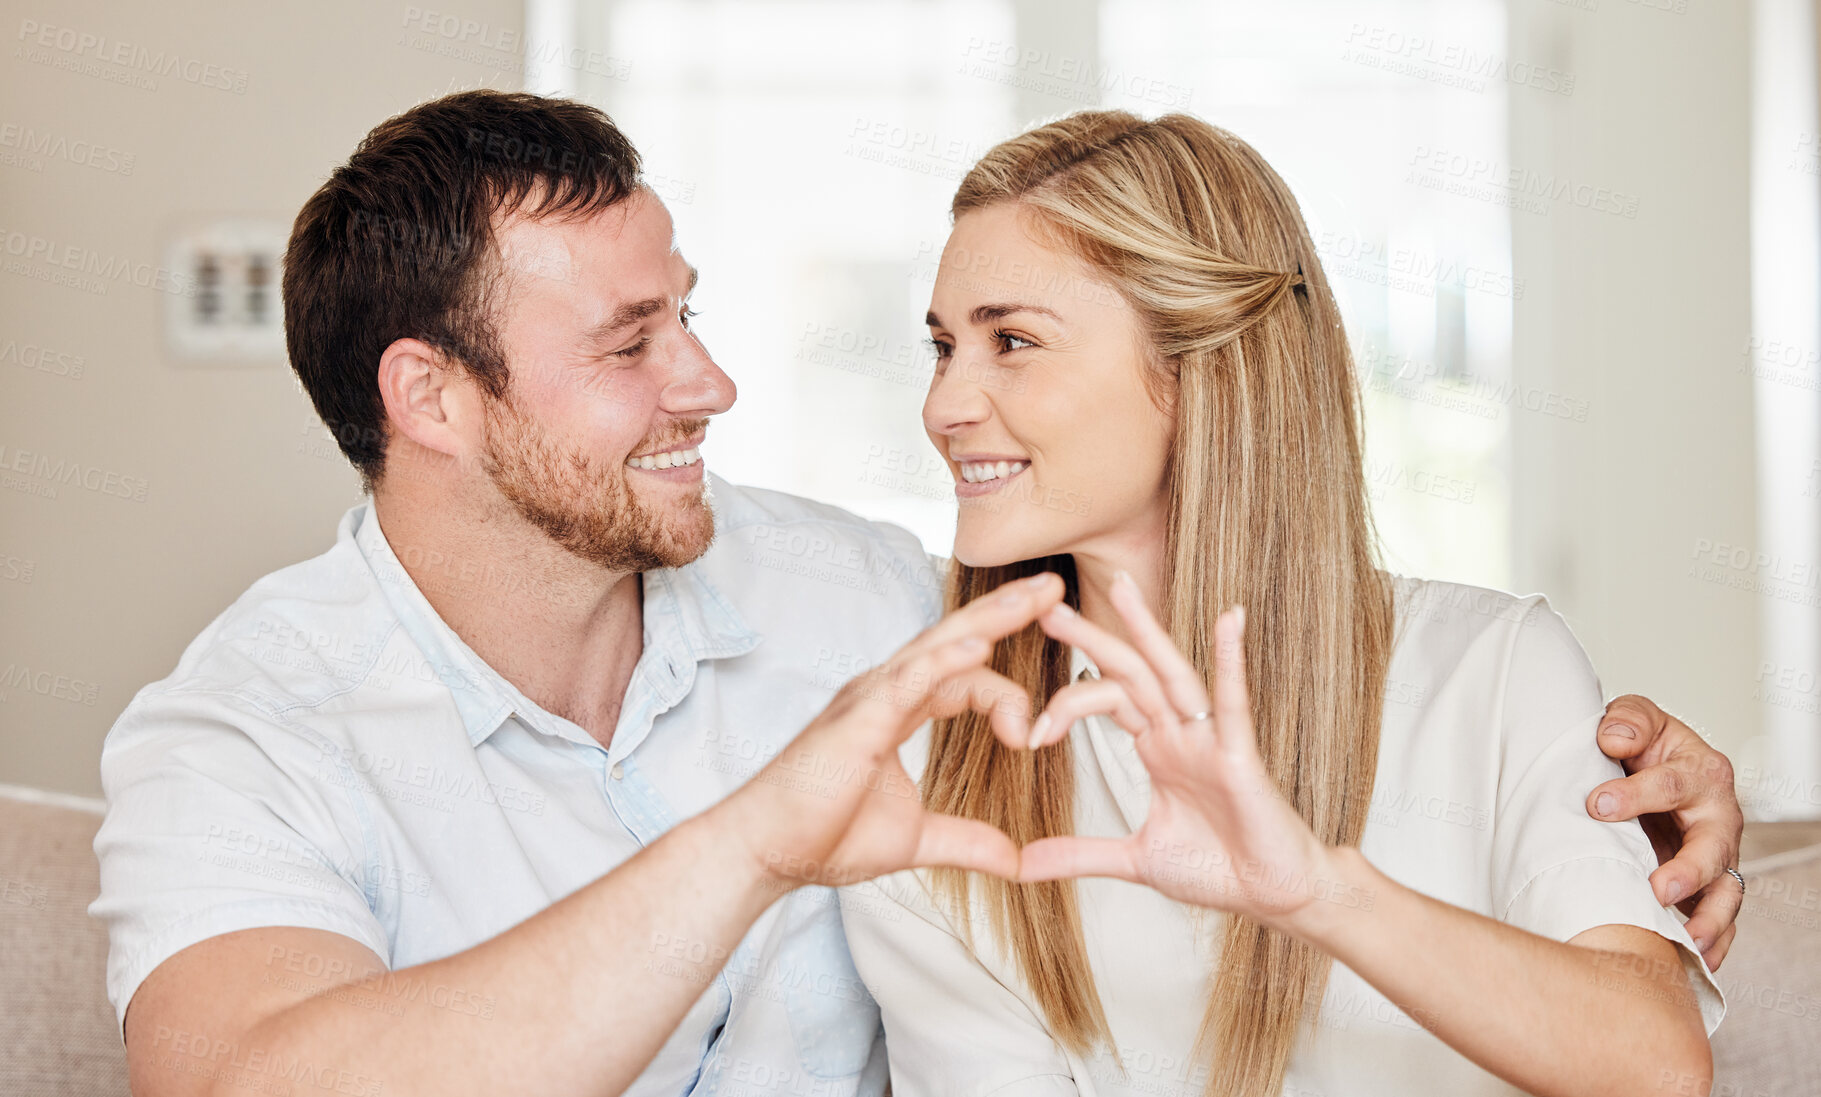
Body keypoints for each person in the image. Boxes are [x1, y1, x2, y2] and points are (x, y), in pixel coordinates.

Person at [89, 91, 1743, 1097]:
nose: (714, 382)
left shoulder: (893, 619)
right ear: (433, 400)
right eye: (630, 345)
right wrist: (751, 845)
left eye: (691, 314)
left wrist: (1667, 796)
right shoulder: (244, 734)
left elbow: (1626, 1022)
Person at [836, 110, 1738, 1097]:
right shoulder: (935, 782)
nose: (943, 406)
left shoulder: (1492, 672)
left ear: (1196, 369)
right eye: (941, 346)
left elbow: (1655, 1064)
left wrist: (1318, 890)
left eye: (1010, 339)